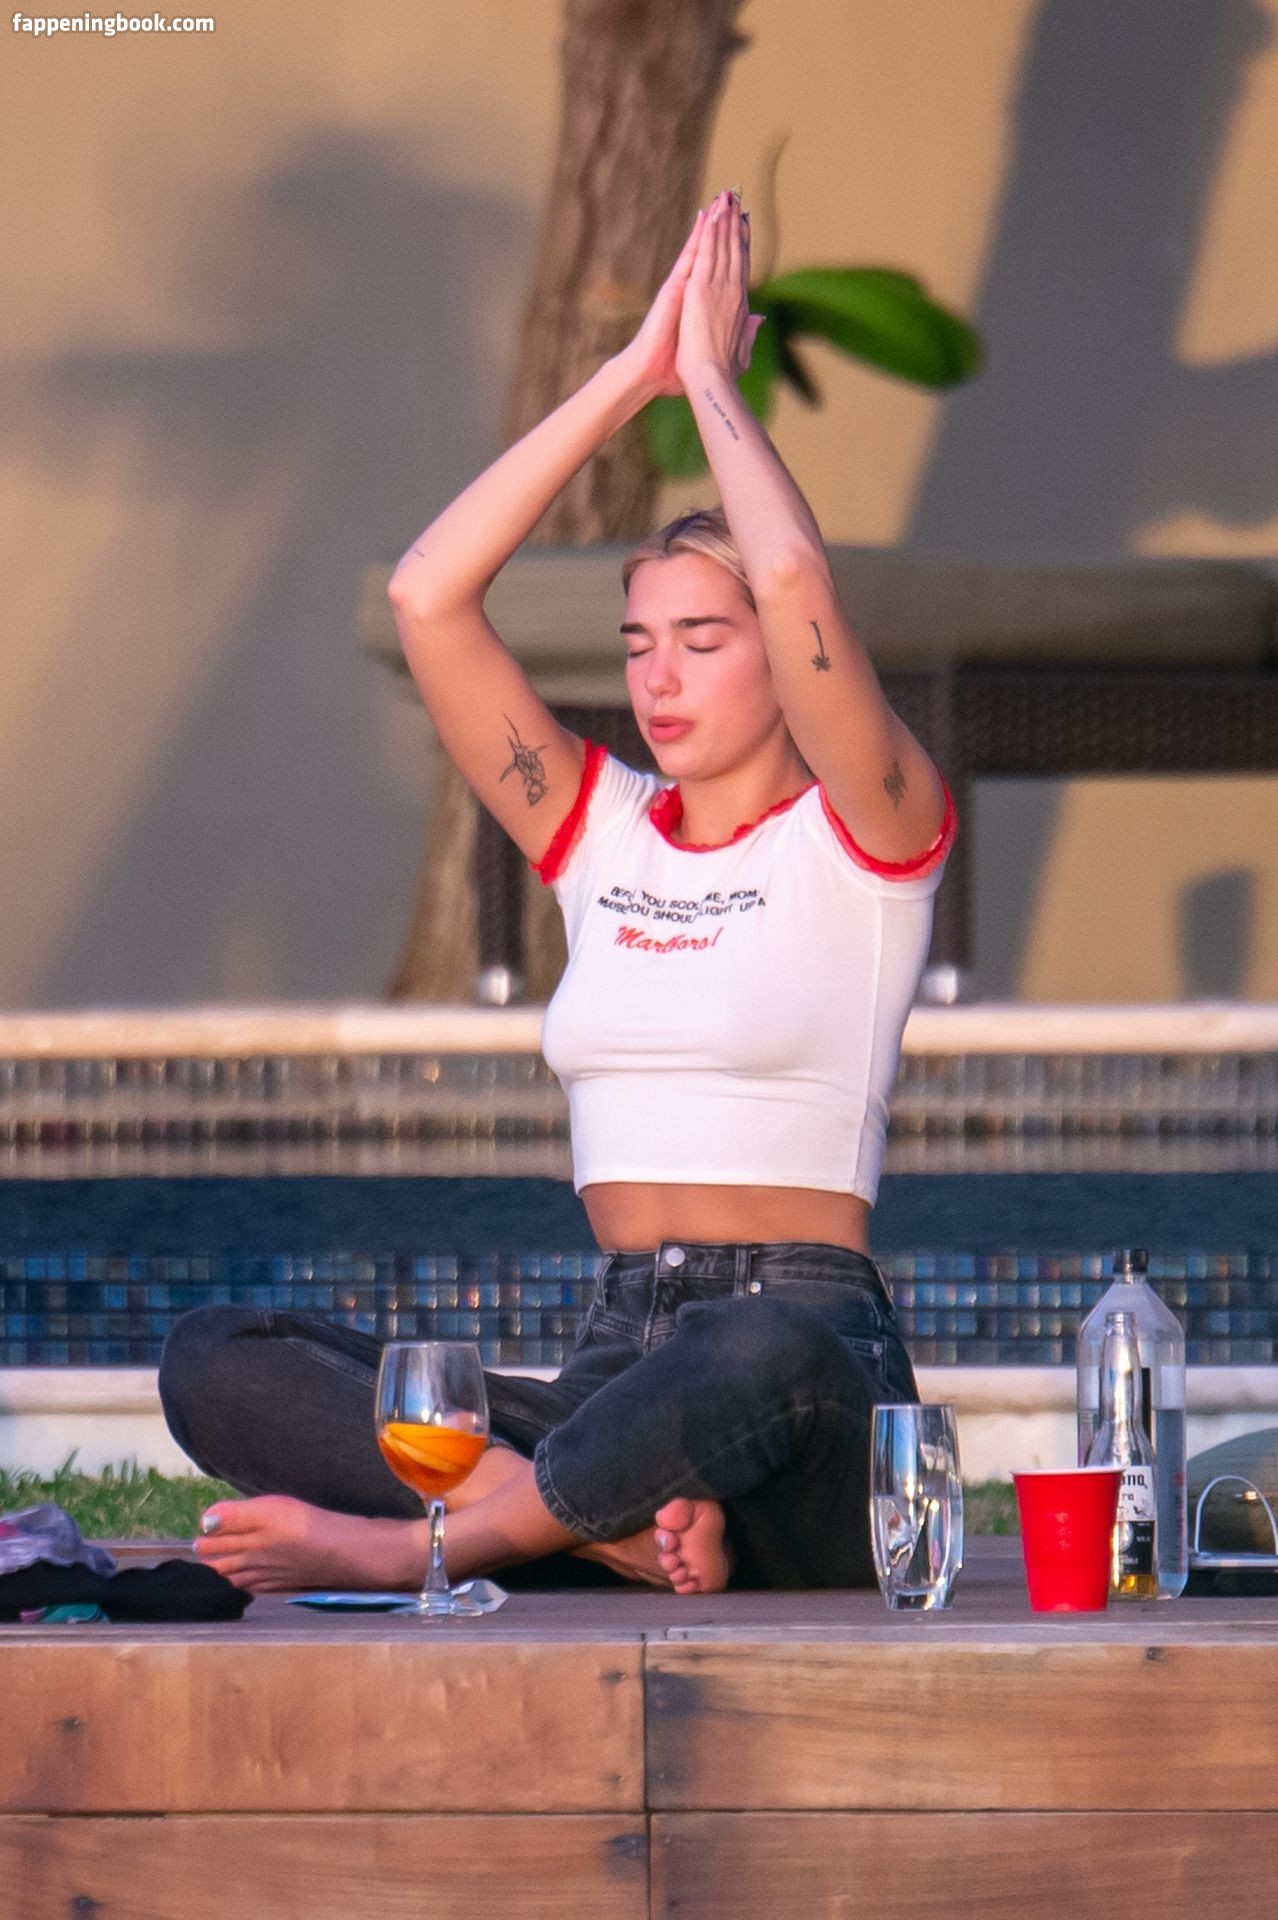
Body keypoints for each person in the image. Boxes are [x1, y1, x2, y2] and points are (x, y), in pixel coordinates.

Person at [158, 187, 956, 1596]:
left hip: (803, 1370)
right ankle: (608, 1527)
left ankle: (428, 1543)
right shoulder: (605, 835)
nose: (658, 676)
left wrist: (712, 383)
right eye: (638, 643)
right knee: (219, 1358)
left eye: (702, 639)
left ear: (781, 656)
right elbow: (428, 597)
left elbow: (789, 571)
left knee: (757, 1346)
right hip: (615, 1373)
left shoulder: (866, 836)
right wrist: (629, 376)